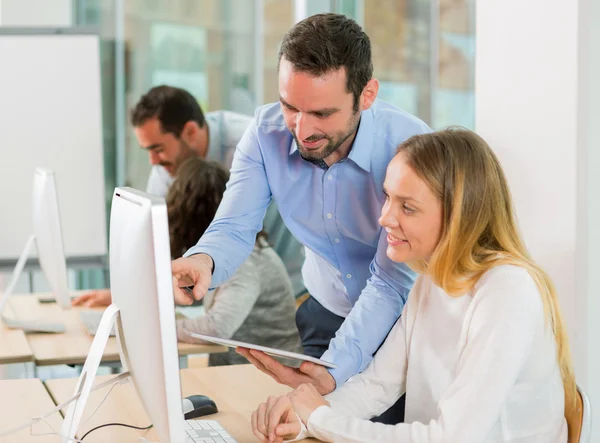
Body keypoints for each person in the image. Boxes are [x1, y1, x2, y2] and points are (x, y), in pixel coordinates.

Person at [170, 12, 430, 423]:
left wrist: (335, 367)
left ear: (367, 94)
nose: (302, 129)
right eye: (290, 106)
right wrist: (204, 261)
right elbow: (235, 226)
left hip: (402, 324)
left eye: (322, 114)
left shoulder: (410, 148)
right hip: (323, 314)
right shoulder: (265, 133)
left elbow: (390, 281)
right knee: (308, 430)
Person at [250, 128, 577, 443]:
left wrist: (322, 418)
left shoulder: (507, 292)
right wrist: (304, 419)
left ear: (458, 216)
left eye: (408, 207)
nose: (385, 218)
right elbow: (376, 386)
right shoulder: (431, 281)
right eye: (388, 197)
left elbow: (452, 438)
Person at [82, 85, 305, 300]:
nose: (153, 161)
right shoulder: (168, 167)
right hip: (226, 285)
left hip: (290, 283)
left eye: (158, 149)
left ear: (189, 131)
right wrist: (127, 295)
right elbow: (156, 238)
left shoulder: (252, 144)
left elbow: (258, 228)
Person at [73, 157, 301, 366]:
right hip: (235, 371)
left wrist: (149, 328)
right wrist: (125, 297)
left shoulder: (245, 260)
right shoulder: (213, 258)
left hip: (261, 379)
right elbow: (190, 292)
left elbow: (216, 328)